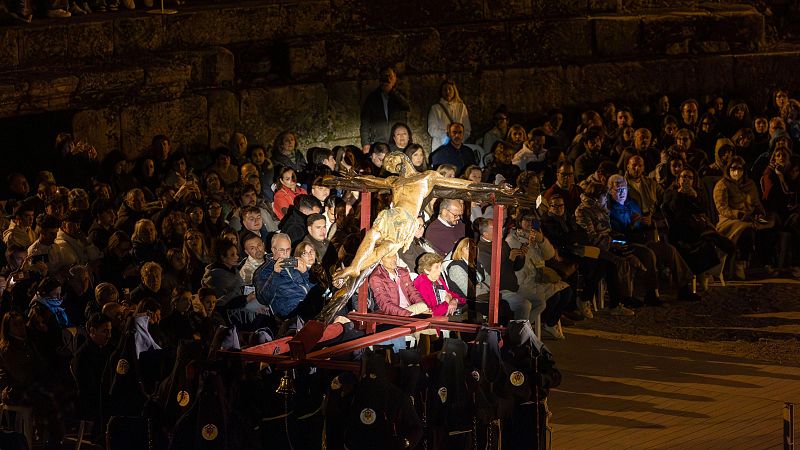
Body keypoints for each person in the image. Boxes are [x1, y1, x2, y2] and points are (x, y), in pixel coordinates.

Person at [255, 233, 313, 320]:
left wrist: (305, 273)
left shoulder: (294, 262)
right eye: (282, 250)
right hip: (290, 313)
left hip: (309, 303)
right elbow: (263, 299)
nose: (286, 254)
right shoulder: (263, 271)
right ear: (273, 250)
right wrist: (275, 274)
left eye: (288, 249)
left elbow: (311, 286)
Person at [73, 313, 113, 438]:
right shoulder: (84, 355)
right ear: (92, 331)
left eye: (110, 331)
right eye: (104, 331)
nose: (109, 335)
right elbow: (87, 386)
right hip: (92, 401)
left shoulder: (106, 349)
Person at [359, 65, 411, 153]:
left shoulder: (399, 96)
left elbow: (406, 106)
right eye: (384, 76)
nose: (387, 79)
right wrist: (365, 143)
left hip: (396, 142)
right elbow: (365, 123)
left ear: (394, 78)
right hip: (378, 142)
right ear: (379, 79)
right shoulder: (372, 98)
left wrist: (391, 91)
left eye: (389, 76)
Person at [413, 253, 465, 317]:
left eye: (440, 266)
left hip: (448, 313)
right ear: (427, 270)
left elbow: (451, 295)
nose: (440, 270)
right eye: (437, 267)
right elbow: (430, 312)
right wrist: (448, 303)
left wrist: (454, 300)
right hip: (436, 320)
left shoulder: (438, 280)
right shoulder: (421, 284)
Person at [427, 80, 472, 151]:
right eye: (445, 89)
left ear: (454, 90)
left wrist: (458, 140)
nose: (447, 92)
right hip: (441, 147)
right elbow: (431, 130)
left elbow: (467, 129)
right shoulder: (435, 108)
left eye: (450, 89)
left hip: (458, 148)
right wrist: (448, 135)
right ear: (441, 92)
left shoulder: (462, 107)